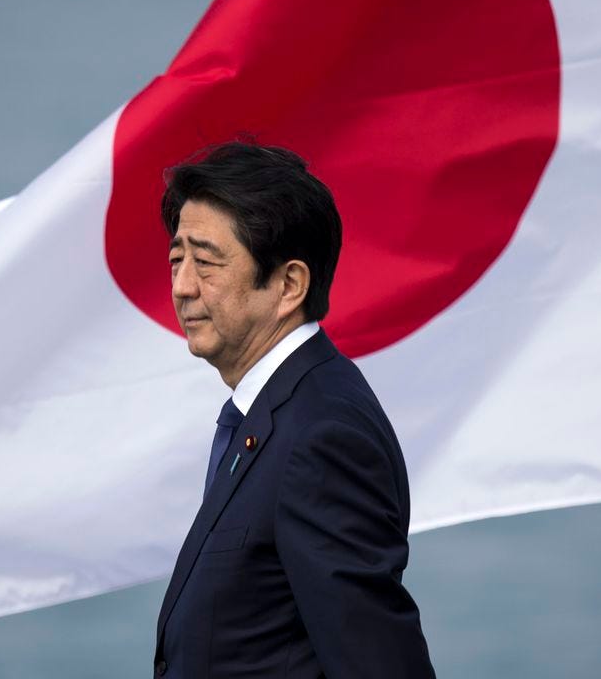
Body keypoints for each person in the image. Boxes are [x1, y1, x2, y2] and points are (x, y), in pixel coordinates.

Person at [152, 142, 435, 678]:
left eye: (206, 263)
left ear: (289, 285)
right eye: (176, 259)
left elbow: (378, 662)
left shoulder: (322, 434)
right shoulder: (274, 413)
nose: (183, 286)